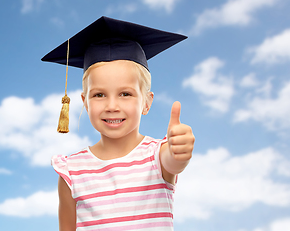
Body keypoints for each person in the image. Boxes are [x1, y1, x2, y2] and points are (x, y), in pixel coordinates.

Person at [42, 16, 195, 231]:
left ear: (147, 102)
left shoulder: (157, 156)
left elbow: (173, 162)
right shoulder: (71, 171)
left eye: (125, 93)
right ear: (85, 102)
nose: (112, 106)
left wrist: (180, 150)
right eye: (99, 95)